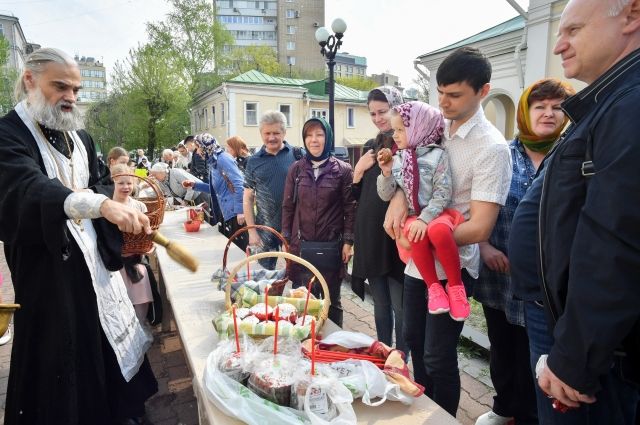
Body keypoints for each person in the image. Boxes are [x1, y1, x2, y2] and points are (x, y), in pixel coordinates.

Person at [0, 47, 157, 424]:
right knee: (63, 372)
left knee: (106, 354)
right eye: (61, 87)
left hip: (95, 272)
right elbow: (26, 189)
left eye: (76, 89)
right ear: (30, 81)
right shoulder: (8, 135)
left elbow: (98, 183)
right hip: (50, 279)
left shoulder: (81, 138)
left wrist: (118, 200)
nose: (71, 97)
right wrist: (99, 206)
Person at [509, 1, 640, 423]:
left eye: (574, 30)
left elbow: (615, 244)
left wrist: (573, 357)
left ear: (632, 15)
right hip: (564, 323)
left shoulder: (630, 104)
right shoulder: (609, 101)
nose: (559, 45)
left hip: (595, 351)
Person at [385, 47, 511, 416]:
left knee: (438, 357)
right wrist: (397, 198)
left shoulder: (492, 148)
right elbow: (406, 169)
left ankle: (443, 419)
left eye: (454, 95)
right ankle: (422, 413)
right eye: (439, 92)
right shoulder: (434, 127)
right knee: (412, 341)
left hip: (451, 265)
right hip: (416, 264)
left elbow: (480, 226)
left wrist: (423, 232)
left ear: (483, 91)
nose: (443, 102)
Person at [474, 79, 575, 425]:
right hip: (499, 277)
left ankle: (533, 414)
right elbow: (476, 206)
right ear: (525, 112)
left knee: (540, 352)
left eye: (556, 106)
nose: (548, 113)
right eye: (540, 106)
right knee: (503, 347)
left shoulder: (572, 154)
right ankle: (505, 407)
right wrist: (484, 244)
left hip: (548, 287)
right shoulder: (501, 154)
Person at [377, 101, 470, 321]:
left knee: (438, 232)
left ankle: (456, 287)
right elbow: (386, 194)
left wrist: (425, 218)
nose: (395, 135)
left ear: (420, 127)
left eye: (400, 129)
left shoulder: (437, 156)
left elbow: (443, 192)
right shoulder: (398, 158)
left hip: (437, 213)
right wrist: (386, 173)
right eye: (394, 130)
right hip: (411, 217)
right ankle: (434, 288)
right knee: (413, 232)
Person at [281, 117, 355, 327]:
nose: (314, 140)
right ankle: (305, 341)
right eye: (309, 135)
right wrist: (285, 238)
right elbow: (287, 206)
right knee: (303, 297)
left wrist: (348, 242)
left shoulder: (342, 170)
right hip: (300, 245)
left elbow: (350, 208)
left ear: (328, 137)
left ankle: (333, 342)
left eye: (319, 134)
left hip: (331, 246)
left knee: (331, 300)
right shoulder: (296, 169)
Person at [351, 86, 406, 353]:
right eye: (372, 113)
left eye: (383, 111)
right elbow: (356, 195)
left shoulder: (407, 145)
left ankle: (403, 359)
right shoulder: (371, 147)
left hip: (395, 237)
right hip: (371, 236)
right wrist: (358, 171)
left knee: (401, 306)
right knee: (381, 304)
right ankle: (385, 353)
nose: (378, 118)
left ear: (397, 107)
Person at [243, 110, 300, 269]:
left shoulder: (297, 155)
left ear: (284, 132)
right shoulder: (253, 161)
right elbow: (247, 198)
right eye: (267, 133)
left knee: (296, 273)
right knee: (264, 276)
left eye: (276, 132)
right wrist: (252, 231)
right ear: (261, 133)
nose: (271, 137)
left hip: (293, 228)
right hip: (264, 229)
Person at [183, 134, 247, 250]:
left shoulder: (223, 159)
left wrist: (240, 211)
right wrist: (194, 185)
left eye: (198, 148)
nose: (197, 152)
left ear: (205, 147)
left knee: (238, 251)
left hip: (235, 214)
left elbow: (239, 185)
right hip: (226, 212)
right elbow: (214, 189)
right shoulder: (214, 162)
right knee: (229, 250)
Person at [111, 164, 154, 324]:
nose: (125, 186)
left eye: (129, 183)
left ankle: (140, 329)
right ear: (113, 182)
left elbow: (148, 233)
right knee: (120, 302)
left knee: (141, 300)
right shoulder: (108, 206)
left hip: (136, 262)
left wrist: (148, 246)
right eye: (120, 183)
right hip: (115, 265)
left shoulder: (139, 206)